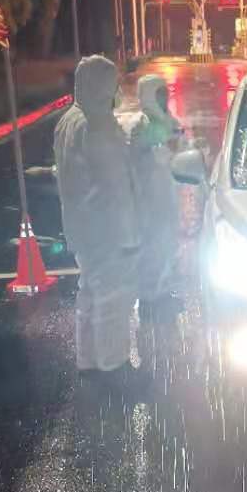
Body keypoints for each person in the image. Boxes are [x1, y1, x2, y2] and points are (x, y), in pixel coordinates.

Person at [54, 55, 142, 378]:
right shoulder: (96, 124)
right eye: (111, 85)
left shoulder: (69, 120)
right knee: (112, 298)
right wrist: (129, 236)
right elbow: (115, 186)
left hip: (81, 227)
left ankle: (88, 360)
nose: (115, 92)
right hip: (106, 230)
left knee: (89, 294)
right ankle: (114, 365)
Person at [123, 74, 183, 317]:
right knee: (153, 246)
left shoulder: (167, 120)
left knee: (167, 243)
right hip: (150, 197)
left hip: (166, 193)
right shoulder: (142, 126)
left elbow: (177, 145)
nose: (163, 99)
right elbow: (159, 151)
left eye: (164, 94)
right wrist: (170, 142)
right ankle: (149, 298)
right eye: (158, 95)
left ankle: (163, 292)